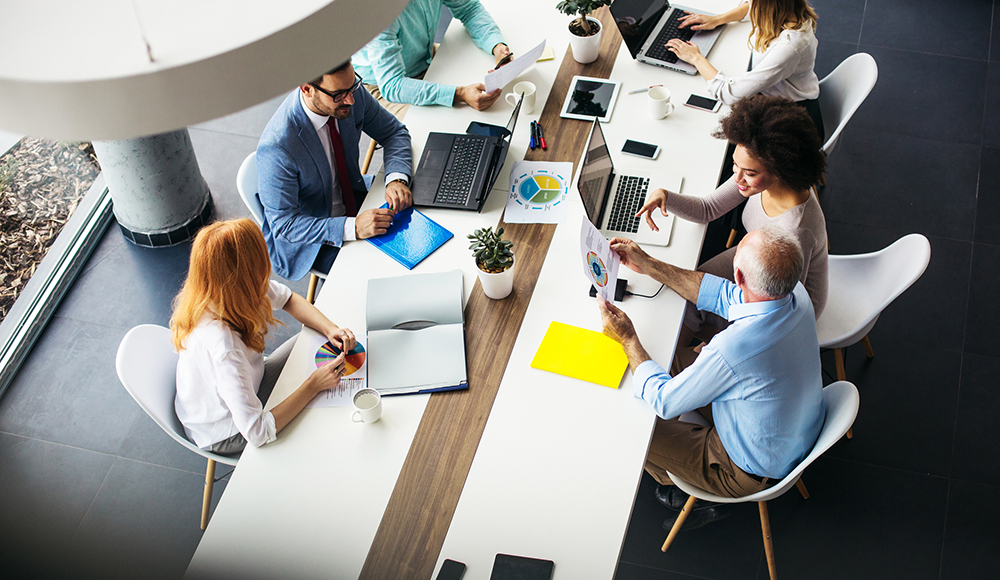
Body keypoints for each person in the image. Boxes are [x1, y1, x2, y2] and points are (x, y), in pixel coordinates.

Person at [598, 226, 825, 529]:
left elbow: (665, 402)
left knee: (631, 425)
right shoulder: (793, 293)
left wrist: (627, 339)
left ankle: (693, 494)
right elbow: (719, 293)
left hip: (746, 469)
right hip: (790, 428)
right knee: (671, 360)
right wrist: (650, 264)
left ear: (741, 277)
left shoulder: (733, 348)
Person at [172, 219, 357, 455]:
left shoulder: (225, 290)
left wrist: (330, 329)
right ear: (243, 275)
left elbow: (289, 298)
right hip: (224, 431)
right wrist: (313, 386)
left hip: (248, 385)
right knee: (313, 415)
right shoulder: (223, 347)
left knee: (311, 344)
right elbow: (258, 432)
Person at [639, 95, 828, 320]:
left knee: (691, 299)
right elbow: (707, 209)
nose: (737, 177)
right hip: (755, 260)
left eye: (749, 173)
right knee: (687, 293)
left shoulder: (796, 230)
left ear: (779, 171)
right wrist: (666, 197)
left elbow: (781, 304)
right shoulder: (755, 178)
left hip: (785, 302)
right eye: (735, 165)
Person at [257, 61, 413, 282]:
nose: (350, 100)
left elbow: (394, 132)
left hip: (355, 197)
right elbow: (284, 225)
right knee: (387, 273)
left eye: (352, 88)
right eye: (339, 95)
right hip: (314, 241)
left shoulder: (349, 93)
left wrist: (396, 179)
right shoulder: (278, 146)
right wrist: (352, 227)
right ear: (306, 88)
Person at [668, 0, 824, 141]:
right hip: (780, 94)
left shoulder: (789, 47)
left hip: (789, 116)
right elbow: (751, 8)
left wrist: (696, 58)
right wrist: (717, 19)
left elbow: (731, 94)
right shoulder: (790, 9)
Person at [352, 0, 511, 116]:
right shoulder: (379, 12)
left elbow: (469, 8)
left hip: (424, 56)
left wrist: (496, 45)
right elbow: (392, 85)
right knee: (442, 128)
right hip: (381, 84)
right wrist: (459, 94)